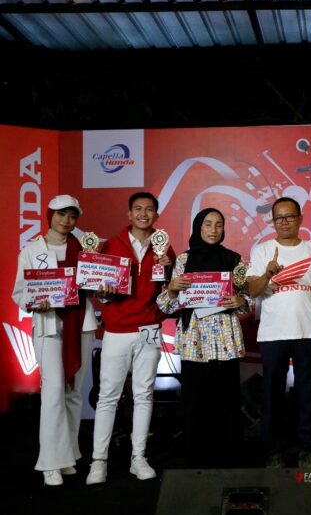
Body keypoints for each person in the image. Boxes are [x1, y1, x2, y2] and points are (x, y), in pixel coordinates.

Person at [86, 192, 174, 485]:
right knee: (108, 396)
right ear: (129, 214)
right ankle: (99, 461)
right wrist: (103, 293)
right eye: (138, 209)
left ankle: (138, 457)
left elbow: (171, 293)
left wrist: (169, 271)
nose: (143, 214)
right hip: (117, 330)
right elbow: (98, 290)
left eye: (149, 209)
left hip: (149, 328)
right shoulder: (109, 246)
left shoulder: (164, 247)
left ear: (156, 215)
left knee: (144, 395)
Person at [11, 195, 97, 486]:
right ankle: (49, 462)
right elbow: (20, 292)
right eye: (61, 214)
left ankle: (68, 456)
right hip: (48, 325)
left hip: (80, 324)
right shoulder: (32, 250)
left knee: (73, 391)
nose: (66, 221)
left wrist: (104, 282)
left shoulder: (84, 248)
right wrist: (35, 301)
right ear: (50, 215)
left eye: (72, 216)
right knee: (53, 391)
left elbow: (96, 280)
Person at [247, 197, 311, 468]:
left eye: (289, 217)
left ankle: (307, 449)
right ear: (273, 221)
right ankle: (273, 451)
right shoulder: (262, 250)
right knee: (272, 394)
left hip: (307, 332)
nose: (284, 222)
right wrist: (267, 274)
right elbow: (252, 290)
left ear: (300, 218)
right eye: (279, 218)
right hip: (273, 334)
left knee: (307, 394)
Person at [157, 208, 247, 468]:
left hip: (225, 342)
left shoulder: (233, 260)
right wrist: (172, 289)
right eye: (208, 224)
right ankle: (197, 462)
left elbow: (247, 300)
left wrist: (240, 300)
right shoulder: (183, 261)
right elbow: (166, 306)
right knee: (196, 405)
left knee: (226, 404)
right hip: (194, 343)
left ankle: (227, 460)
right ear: (198, 227)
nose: (213, 230)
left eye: (219, 225)